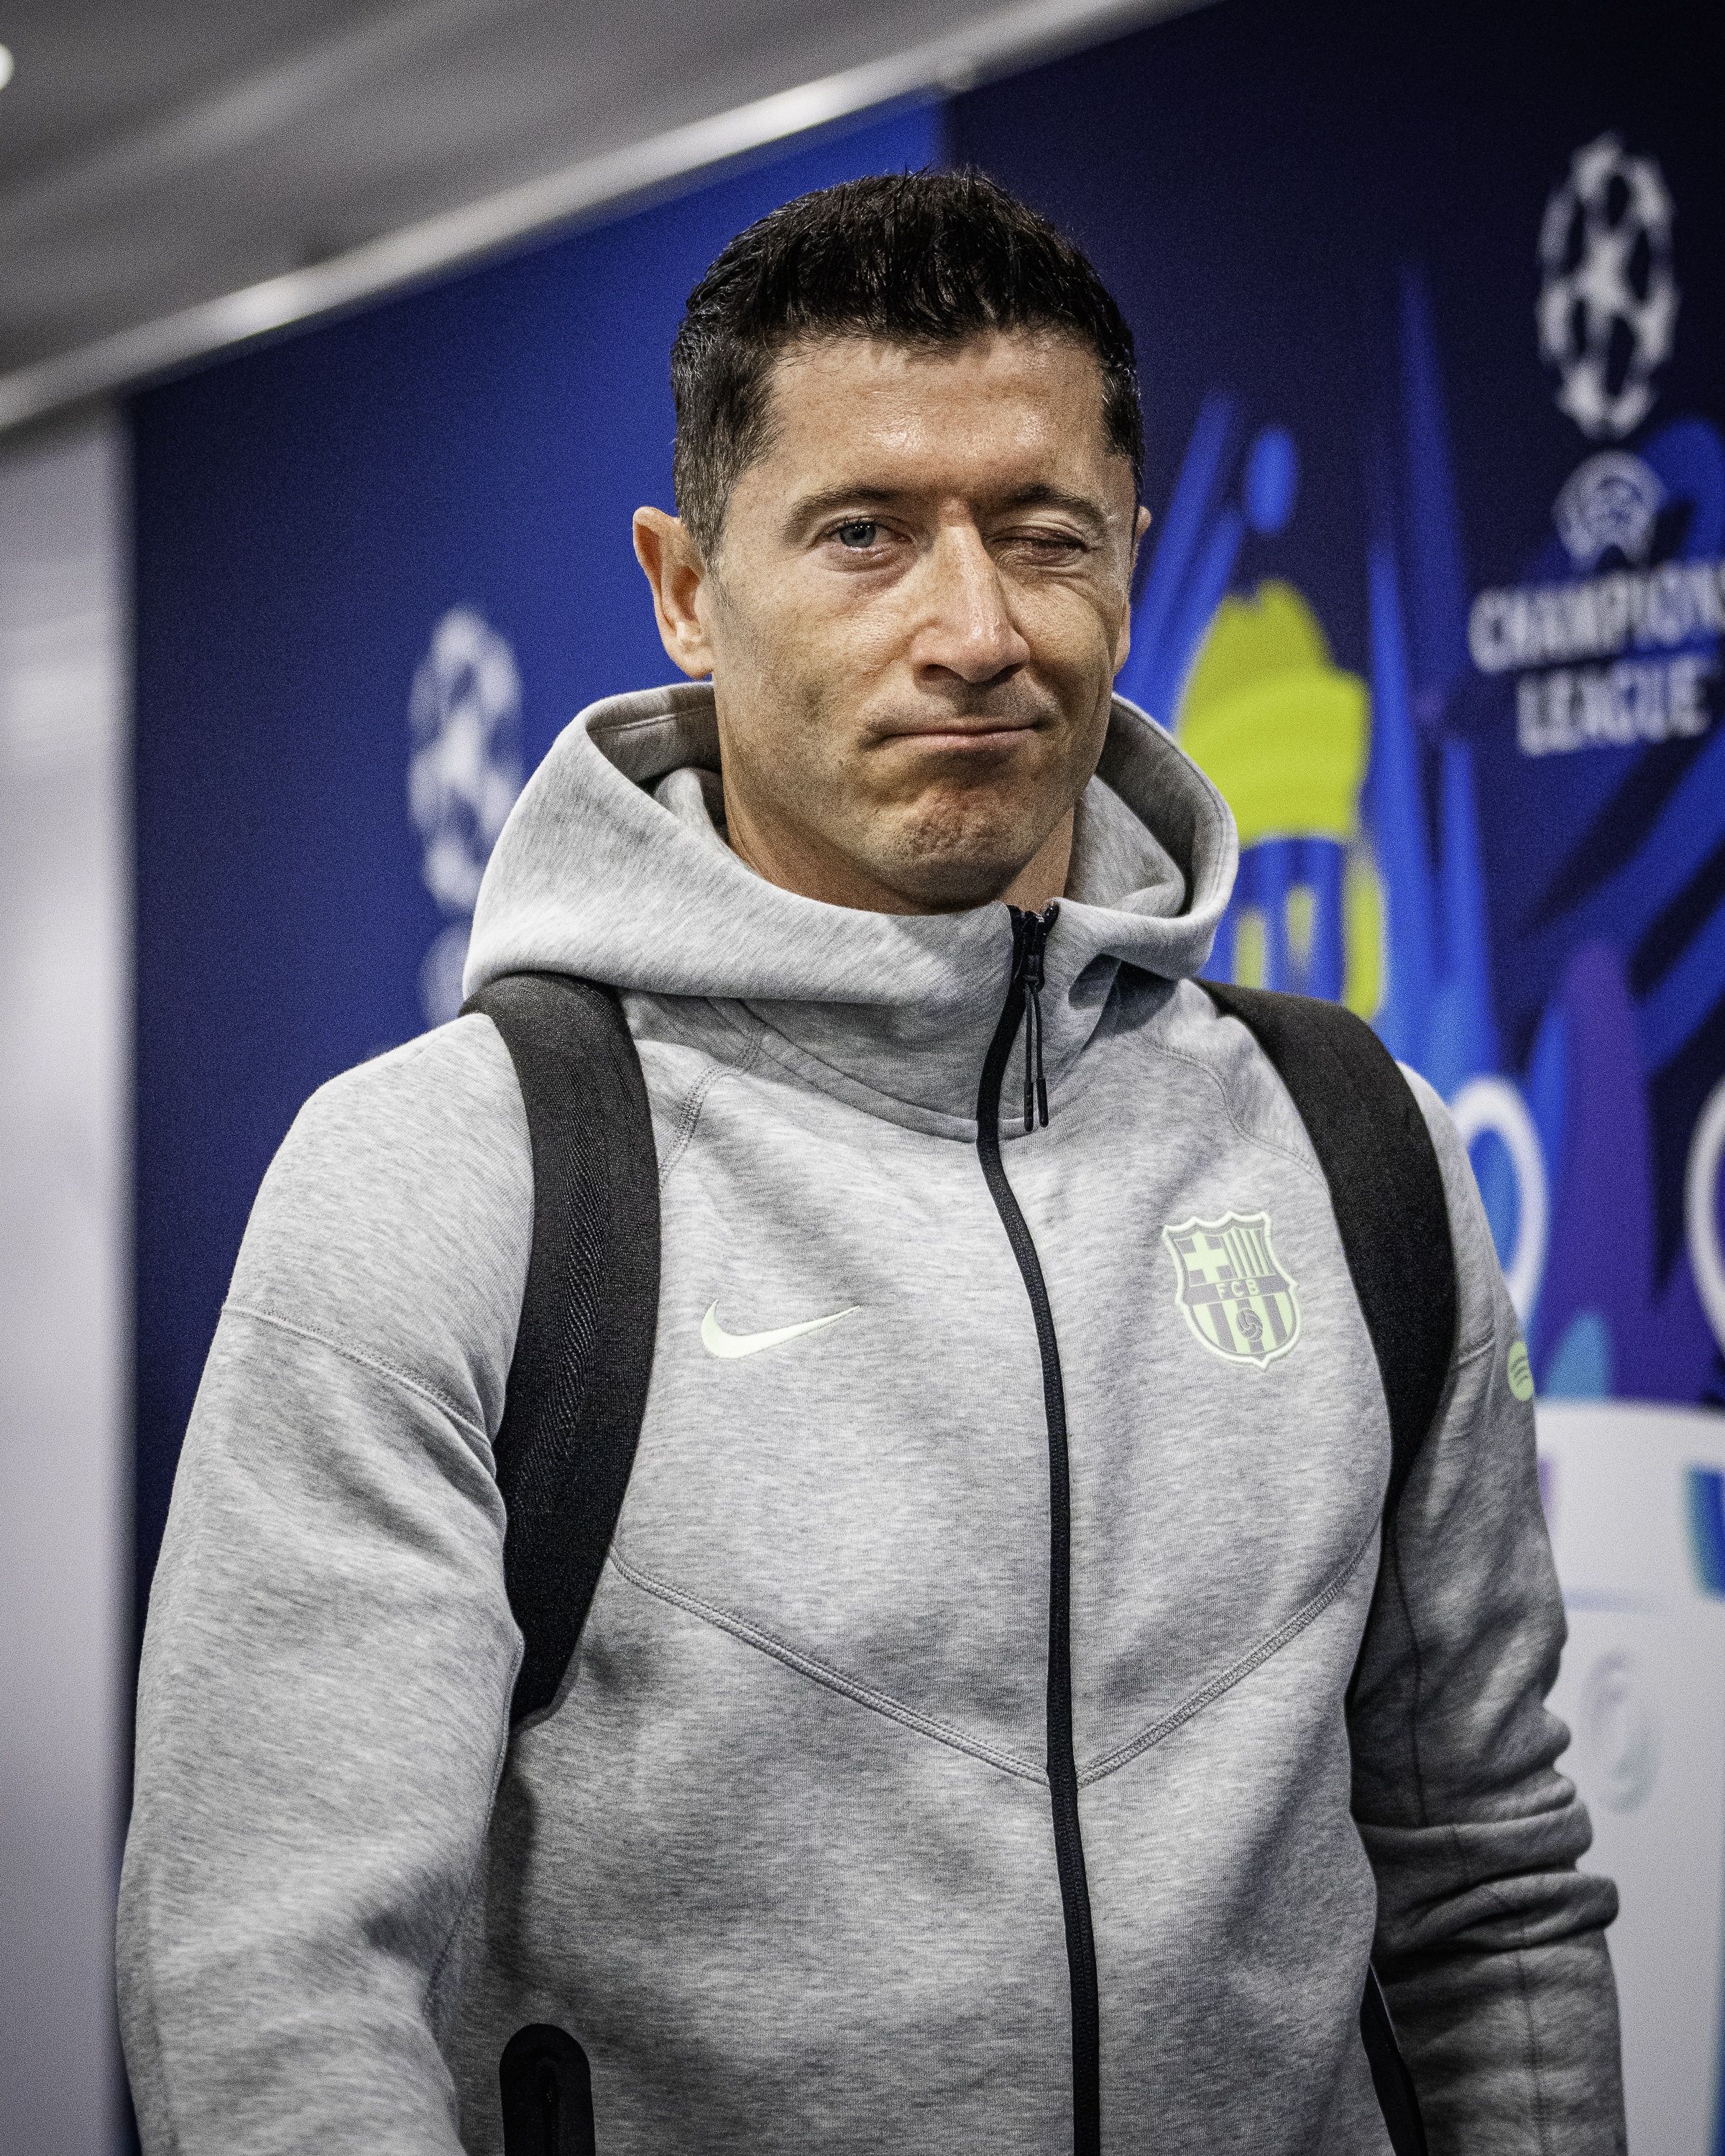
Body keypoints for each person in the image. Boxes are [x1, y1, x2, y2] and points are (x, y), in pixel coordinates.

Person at [119, 170, 1624, 2155]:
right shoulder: (455, 1179)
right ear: (685, 587)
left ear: (1132, 555)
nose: (975, 631)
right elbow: (267, 1988)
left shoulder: (1354, 1149)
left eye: (1044, 535)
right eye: (865, 536)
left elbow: (1491, 1898)